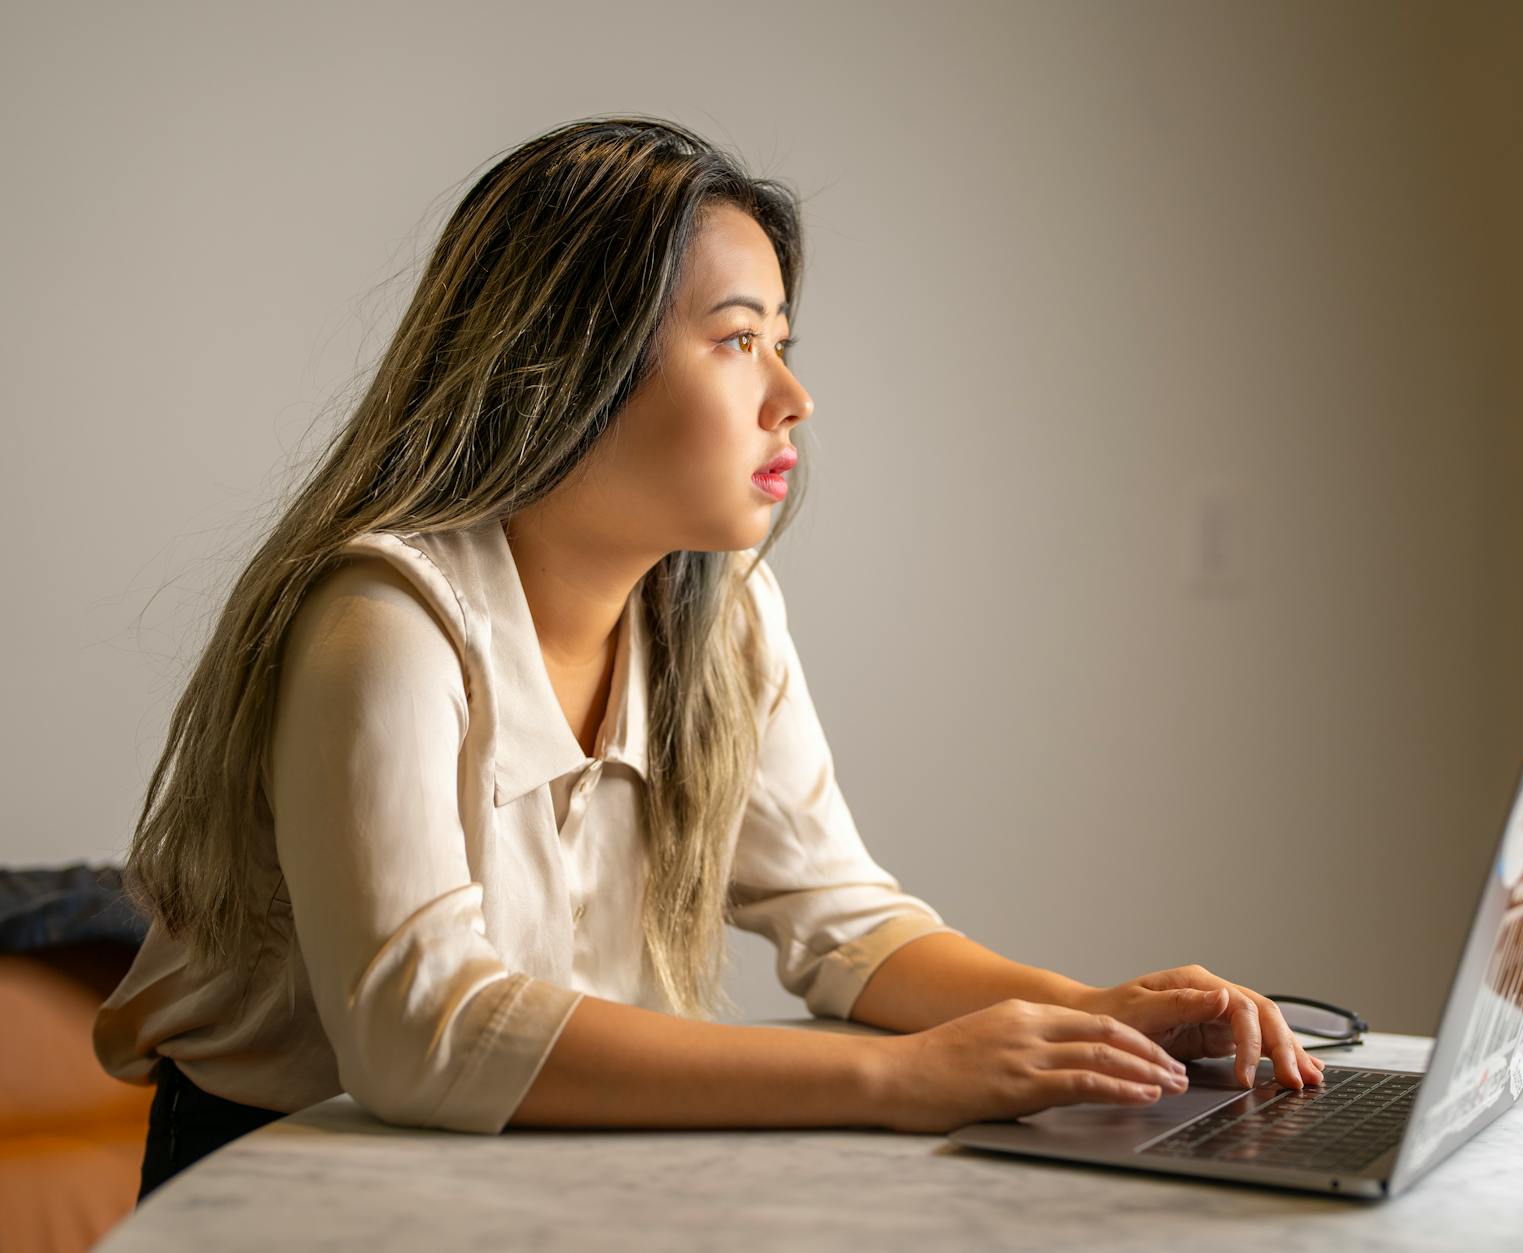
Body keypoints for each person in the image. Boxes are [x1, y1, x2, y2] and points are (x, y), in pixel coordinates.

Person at [95, 115, 1322, 1202]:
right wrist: (899, 1078)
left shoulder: (721, 609)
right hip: (287, 1179)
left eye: (780, 339)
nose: (791, 394)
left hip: (525, 1168)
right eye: (737, 342)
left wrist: (1086, 1008)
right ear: (571, 365)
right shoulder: (383, 623)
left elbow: (842, 920)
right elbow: (424, 1030)